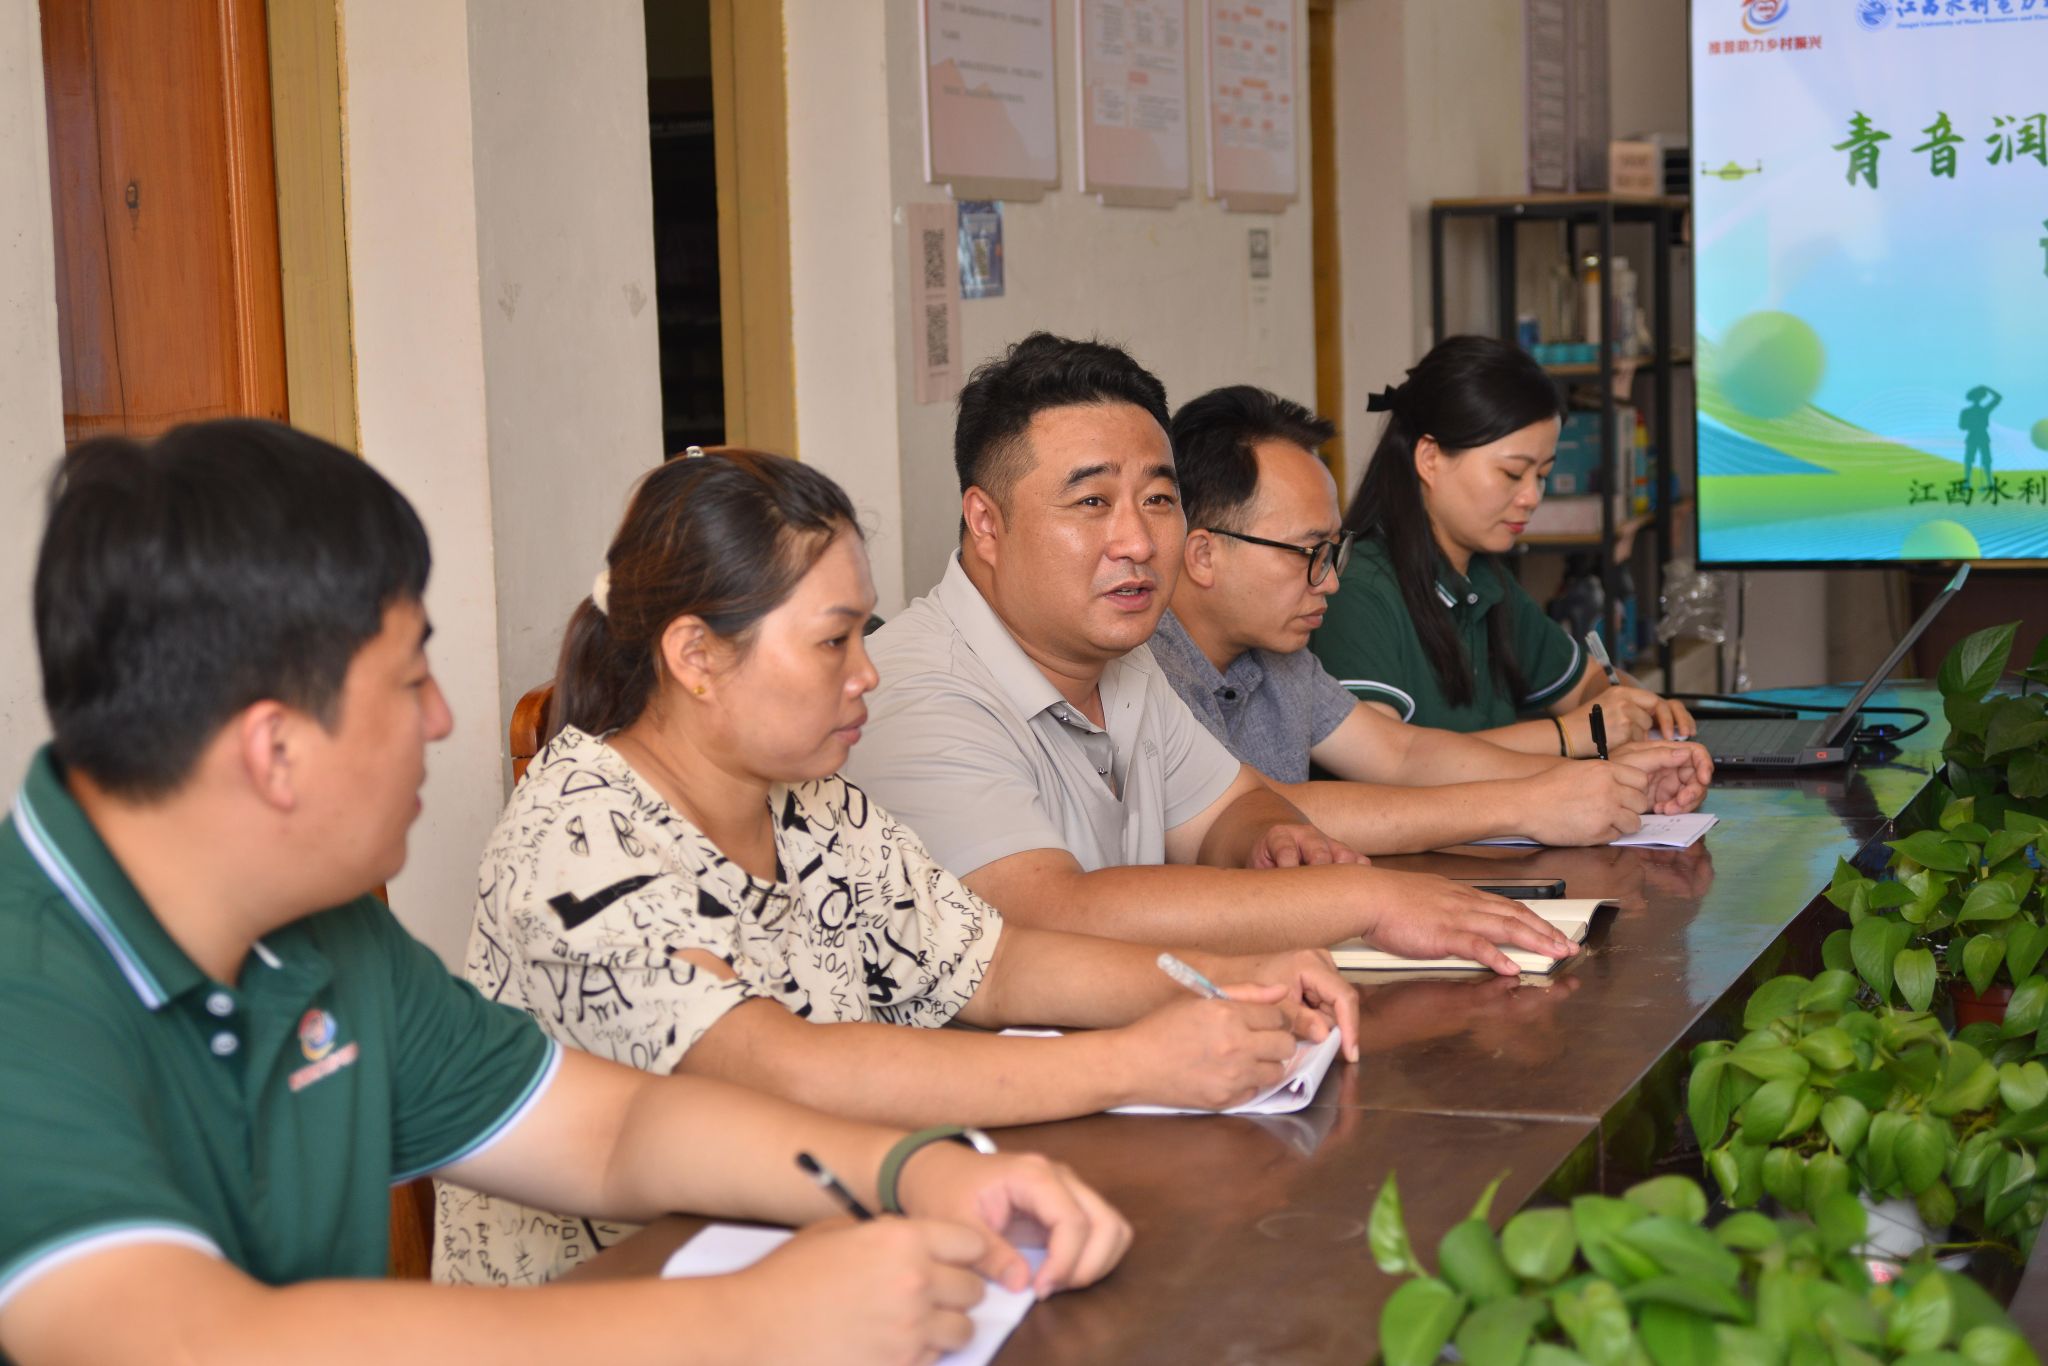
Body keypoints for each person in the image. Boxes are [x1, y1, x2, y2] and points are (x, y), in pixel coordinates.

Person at [0, 420, 1127, 1366]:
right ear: (274, 749)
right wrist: (749, 1321)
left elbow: (610, 1127)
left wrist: (912, 1170)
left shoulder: (319, 931)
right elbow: (193, 1338)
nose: (443, 718)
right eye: (408, 679)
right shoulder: (26, 995)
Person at [441, 448, 1356, 1285]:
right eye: (833, 641)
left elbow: (994, 964)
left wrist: (1229, 977)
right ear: (696, 656)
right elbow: (780, 1070)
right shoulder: (578, 840)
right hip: (626, 1305)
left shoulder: (808, 800)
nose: (867, 673)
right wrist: (1133, 1063)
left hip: (817, 1253)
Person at [843, 332, 1578, 968]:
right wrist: (1363, 899)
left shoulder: (1120, 662)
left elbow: (1230, 809)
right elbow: (1047, 914)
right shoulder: (915, 691)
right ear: (986, 523)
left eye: (1158, 500)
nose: (1138, 542)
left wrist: (1271, 841)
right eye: (1092, 502)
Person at [1158, 383, 1713, 851]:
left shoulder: (1281, 659)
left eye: (1333, 552)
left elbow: (1402, 753)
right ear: (1203, 554)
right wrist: (1525, 803)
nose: (1329, 581)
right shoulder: (1149, 671)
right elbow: (1254, 810)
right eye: (1309, 553)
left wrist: (1611, 780)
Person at [1310, 335, 1698, 755]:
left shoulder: (1483, 582)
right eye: (1513, 474)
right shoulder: (1357, 590)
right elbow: (1388, 761)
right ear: (1430, 459)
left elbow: (1588, 682)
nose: (1532, 497)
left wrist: (1632, 706)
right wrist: (1570, 734)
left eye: (1542, 475)